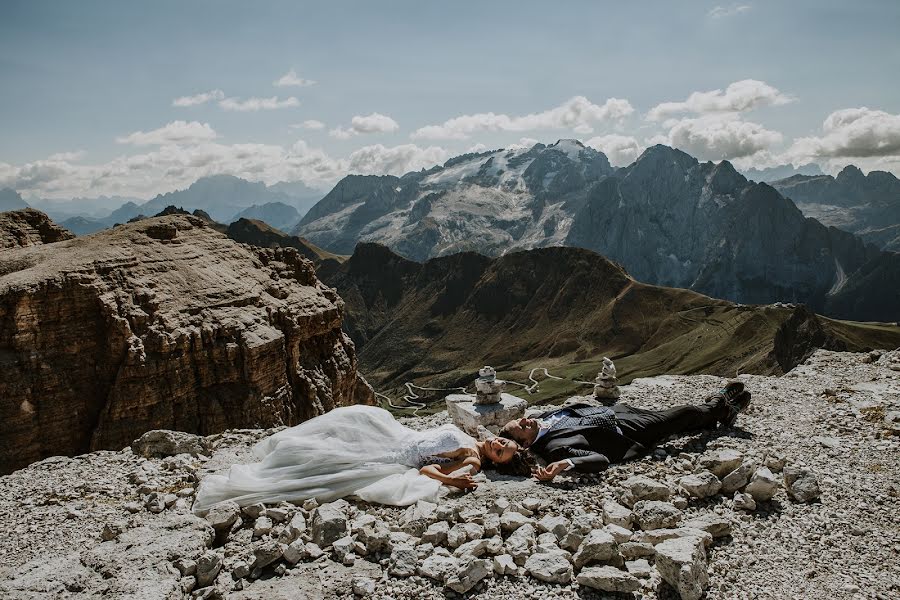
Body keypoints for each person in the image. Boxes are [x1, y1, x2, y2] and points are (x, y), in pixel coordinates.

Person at [192, 404, 518, 513]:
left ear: (495, 462)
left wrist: (452, 480)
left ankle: (263, 478)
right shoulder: (472, 436)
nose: (500, 444)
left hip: (395, 454)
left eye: (502, 453)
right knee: (352, 419)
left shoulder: (473, 459)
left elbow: (428, 470)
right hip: (397, 433)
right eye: (505, 442)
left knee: (328, 459)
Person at [500, 381, 750, 482]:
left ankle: (719, 415)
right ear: (524, 444)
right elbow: (601, 460)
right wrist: (565, 464)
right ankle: (717, 404)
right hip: (627, 431)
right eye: (521, 428)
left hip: (620, 412)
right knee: (681, 413)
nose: (524, 421)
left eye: (519, 420)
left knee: (676, 420)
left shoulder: (539, 419)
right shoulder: (553, 448)